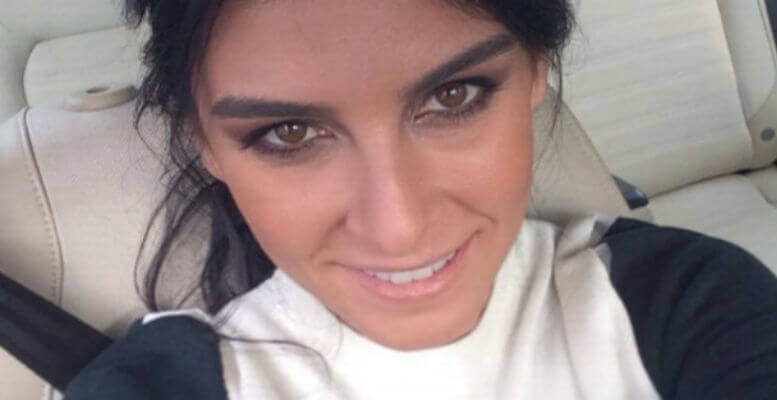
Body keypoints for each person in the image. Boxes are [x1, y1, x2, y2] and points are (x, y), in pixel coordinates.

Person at [63, 0, 777, 399]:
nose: (399, 230)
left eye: (454, 95)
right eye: (289, 132)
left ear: (537, 72)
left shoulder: (691, 301)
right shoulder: (156, 387)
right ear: (205, 145)